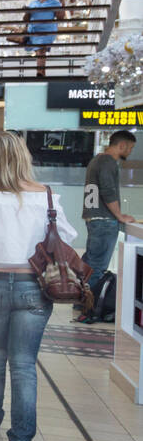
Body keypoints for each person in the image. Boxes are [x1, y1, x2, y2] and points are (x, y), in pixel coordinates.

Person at [0, 130, 76, 441]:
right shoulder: (46, 197)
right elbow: (65, 238)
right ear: (23, 157)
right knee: (24, 363)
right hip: (34, 286)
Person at [76, 130, 138, 321]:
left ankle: (81, 301)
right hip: (103, 220)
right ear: (122, 145)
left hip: (94, 218)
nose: (130, 151)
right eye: (130, 147)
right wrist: (119, 215)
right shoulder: (108, 162)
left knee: (89, 263)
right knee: (97, 266)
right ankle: (90, 308)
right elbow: (108, 191)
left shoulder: (97, 160)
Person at [24, 0, 65, 77]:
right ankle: (42, 72)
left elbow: (60, 17)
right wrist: (27, 11)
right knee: (40, 51)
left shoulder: (54, 3)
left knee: (41, 50)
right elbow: (26, 19)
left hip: (47, 30)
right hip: (34, 30)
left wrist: (62, 3)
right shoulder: (33, 3)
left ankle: (39, 72)